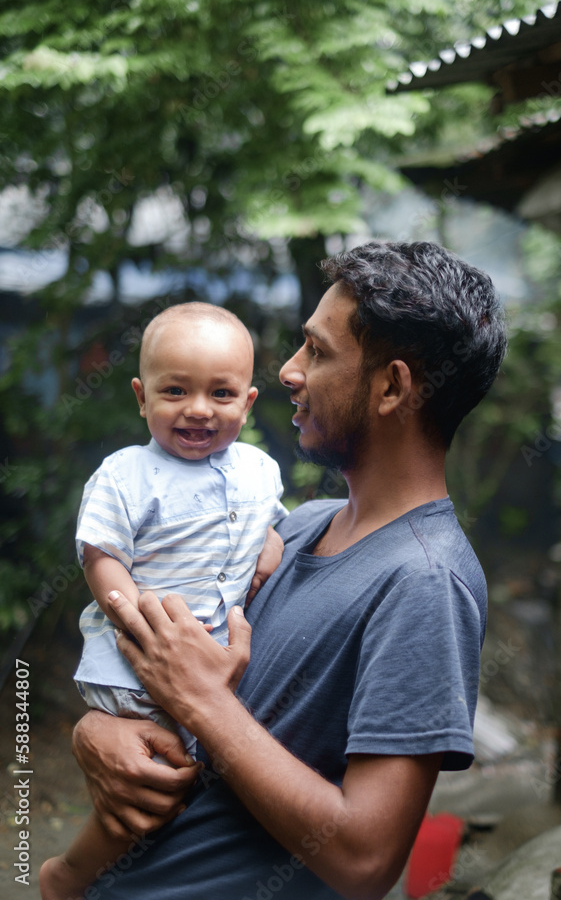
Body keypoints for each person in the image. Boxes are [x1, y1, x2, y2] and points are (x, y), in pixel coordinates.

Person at [65, 241, 507, 900]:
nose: (288, 371)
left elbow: (364, 861)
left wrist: (202, 704)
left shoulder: (424, 580)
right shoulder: (295, 526)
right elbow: (193, 698)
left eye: (317, 352)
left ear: (391, 387)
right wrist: (97, 728)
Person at [40, 302, 287, 900]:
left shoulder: (260, 470)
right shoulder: (125, 475)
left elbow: (272, 526)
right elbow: (102, 556)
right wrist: (135, 620)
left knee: (201, 776)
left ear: (248, 403)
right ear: (141, 396)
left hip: (209, 664)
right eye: (175, 390)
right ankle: (71, 873)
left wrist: (271, 547)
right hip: (139, 663)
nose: (199, 409)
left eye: (221, 394)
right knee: (160, 776)